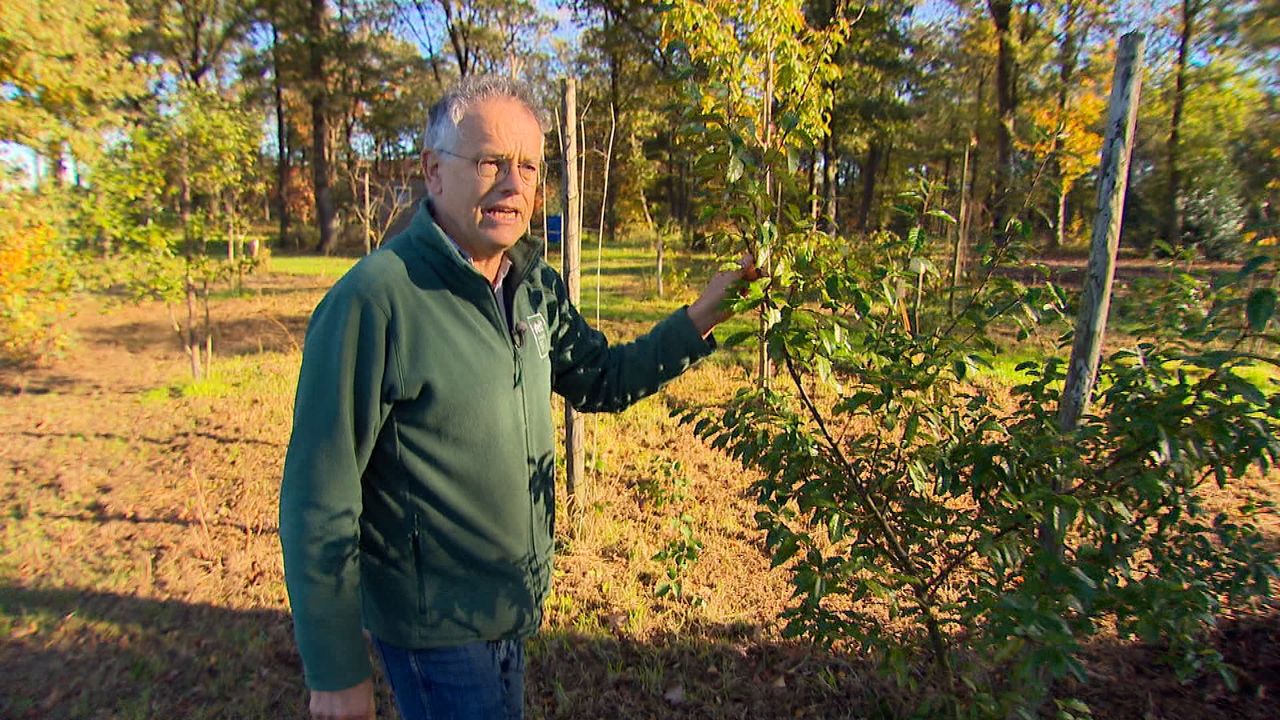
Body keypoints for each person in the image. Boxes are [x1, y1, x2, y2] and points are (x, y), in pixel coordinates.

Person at [280, 75, 753, 720]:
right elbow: (318, 494)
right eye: (489, 162)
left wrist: (702, 315)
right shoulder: (375, 301)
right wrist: (334, 668)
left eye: (527, 166)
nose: (512, 183)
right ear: (433, 172)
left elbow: (603, 378)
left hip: (509, 603)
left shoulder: (531, 285)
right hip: (435, 623)